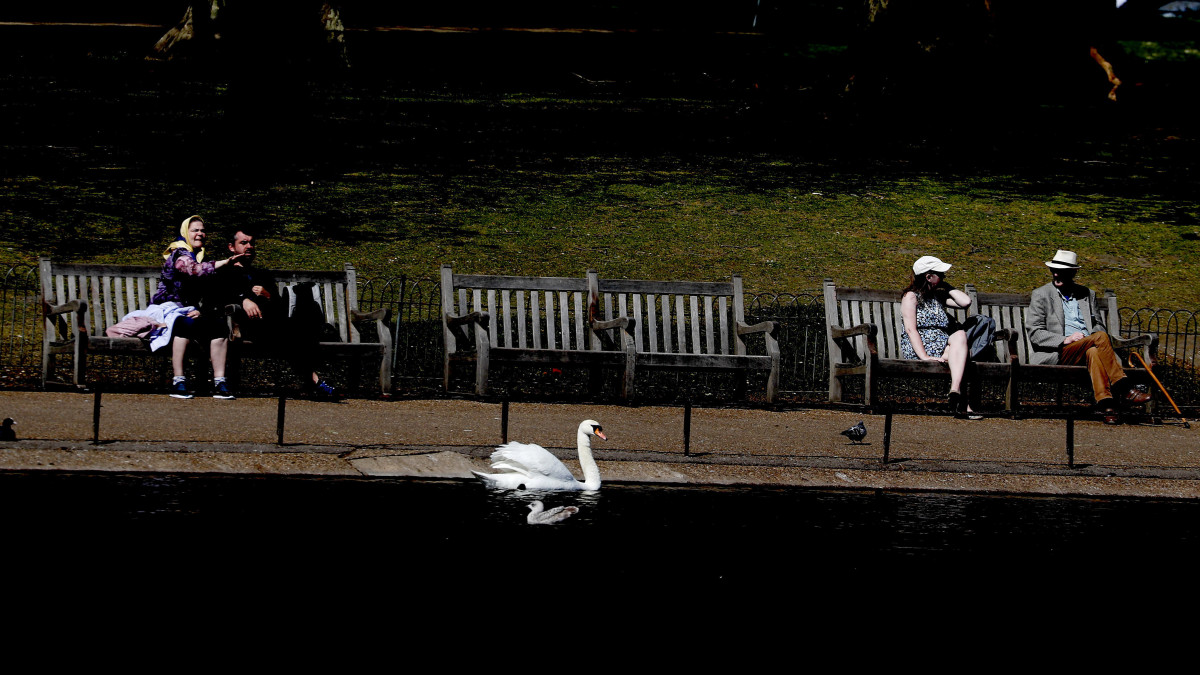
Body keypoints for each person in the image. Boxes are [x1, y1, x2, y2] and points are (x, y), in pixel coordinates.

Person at [1027, 249, 1150, 425]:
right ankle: (1125, 388)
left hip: (1087, 348)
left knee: (1093, 350)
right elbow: (1035, 332)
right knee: (1099, 337)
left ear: (1073, 272)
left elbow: (1098, 324)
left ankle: (1107, 406)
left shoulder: (1087, 294)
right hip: (1059, 352)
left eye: (1061, 271)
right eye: (1053, 270)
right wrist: (1065, 339)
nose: (1055, 274)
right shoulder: (1041, 294)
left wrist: (1088, 337)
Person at [215, 228, 338, 399]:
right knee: (290, 335)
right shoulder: (225, 272)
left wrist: (266, 294)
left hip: (271, 325)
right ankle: (315, 382)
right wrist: (243, 300)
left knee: (294, 332)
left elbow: (279, 305)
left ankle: (314, 382)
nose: (249, 246)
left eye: (252, 243)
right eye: (244, 243)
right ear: (231, 247)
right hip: (244, 327)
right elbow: (219, 297)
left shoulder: (262, 274)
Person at [152, 215, 249, 399]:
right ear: (185, 233)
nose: (200, 234)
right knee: (185, 324)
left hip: (190, 309)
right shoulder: (180, 253)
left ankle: (220, 382)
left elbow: (211, 288)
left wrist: (203, 310)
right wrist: (225, 262)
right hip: (168, 308)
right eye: (195, 230)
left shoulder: (200, 255)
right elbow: (194, 270)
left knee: (219, 326)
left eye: (202, 230)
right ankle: (178, 381)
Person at [900, 255, 982, 420]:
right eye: (940, 274)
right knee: (962, 356)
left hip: (942, 344)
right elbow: (911, 329)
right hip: (920, 346)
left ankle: (955, 390)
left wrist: (945, 285)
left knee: (960, 336)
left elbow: (966, 302)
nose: (944, 276)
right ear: (928, 277)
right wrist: (924, 357)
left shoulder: (937, 297)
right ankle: (964, 406)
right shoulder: (911, 297)